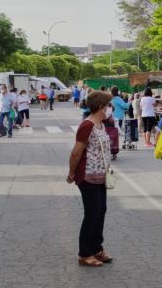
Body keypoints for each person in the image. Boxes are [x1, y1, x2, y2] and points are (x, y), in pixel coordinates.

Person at [66, 91, 114, 267]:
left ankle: (97, 248)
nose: (110, 108)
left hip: (101, 176)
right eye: (108, 105)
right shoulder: (87, 126)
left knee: (100, 211)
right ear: (101, 107)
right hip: (87, 176)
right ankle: (85, 253)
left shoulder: (101, 125)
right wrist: (72, 174)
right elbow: (76, 152)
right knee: (92, 214)